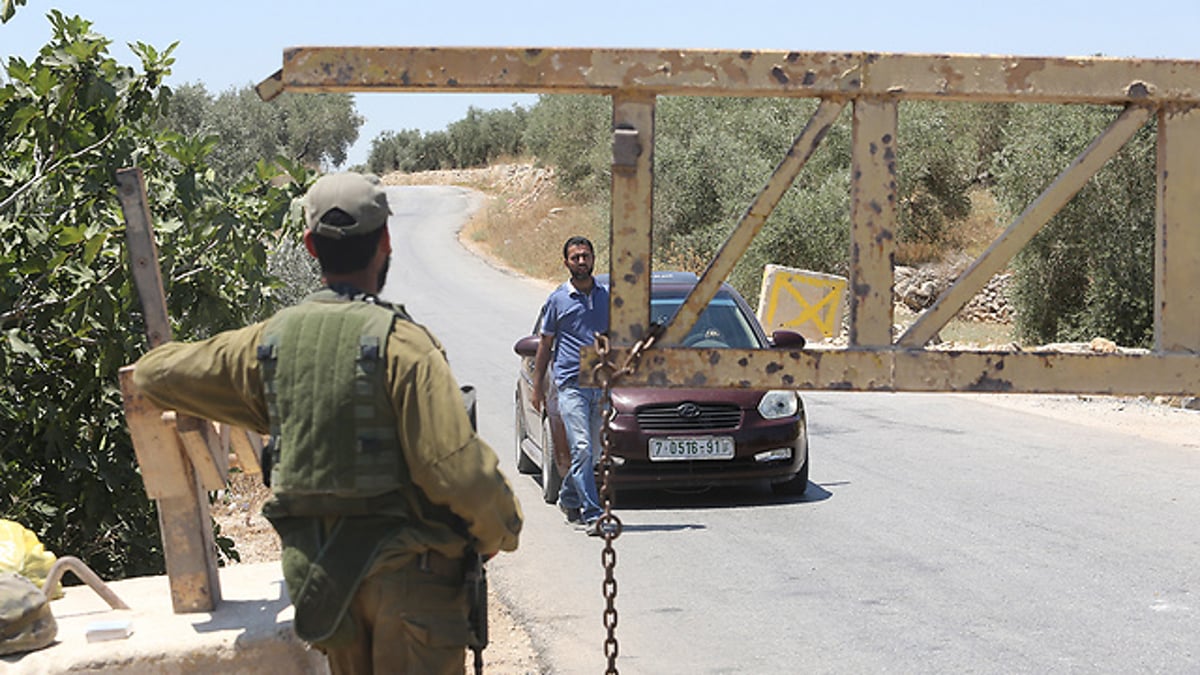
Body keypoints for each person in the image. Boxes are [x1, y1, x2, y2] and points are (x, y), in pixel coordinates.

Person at [133, 172, 522, 674]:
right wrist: (498, 531)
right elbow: (457, 471)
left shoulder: (268, 344)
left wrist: (264, 400)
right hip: (413, 590)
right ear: (384, 241)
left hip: (327, 591)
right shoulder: (405, 346)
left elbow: (153, 373)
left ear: (310, 246)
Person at [531, 236, 609, 536]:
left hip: (600, 384)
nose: (581, 261)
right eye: (575, 257)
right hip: (571, 385)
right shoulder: (557, 299)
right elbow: (545, 344)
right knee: (581, 447)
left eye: (586, 256)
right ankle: (592, 514)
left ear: (593, 259)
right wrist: (538, 386)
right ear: (566, 262)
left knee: (590, 451)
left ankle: (568, 496)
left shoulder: (606, 296)